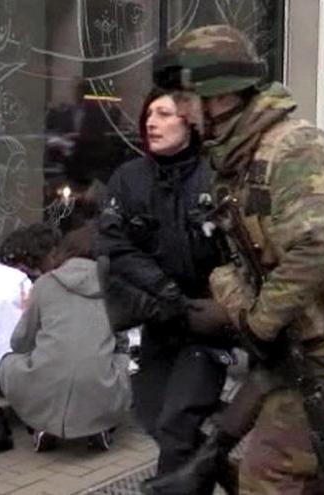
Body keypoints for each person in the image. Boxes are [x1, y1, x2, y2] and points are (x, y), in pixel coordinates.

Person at [149, 25, 324, 494]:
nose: (183, 114)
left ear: (219, 99)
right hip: (299, 339)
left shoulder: (293, 149)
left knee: (270, 472)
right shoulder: (240, 155)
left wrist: (259, 323)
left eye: (187, 102)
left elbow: (318, 248)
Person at [98, 88, 233, 483]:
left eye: (164, 114)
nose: (151, 122)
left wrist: (216, 309)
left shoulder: (217, 177)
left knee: (177, 426)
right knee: (155, 420)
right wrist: (164, 295)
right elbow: (113, 247)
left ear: (189, 121)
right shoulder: (129, 179)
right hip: (157, 320)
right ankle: (220, 468)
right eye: (148, 114)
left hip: (206, 328)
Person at [0, 225, 131, 452]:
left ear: (64, 252)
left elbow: (20, 342)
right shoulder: (114, 287)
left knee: (8, 363)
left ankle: (41, 425)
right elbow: (122, 341)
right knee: (119, 360)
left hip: (47, 382)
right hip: (100, 386)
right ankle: (101, 424)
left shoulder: (44, 284)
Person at [0, 223, 60, 388]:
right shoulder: (21, 287)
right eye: (52, 256)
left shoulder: (0, 277)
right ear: (40, 255)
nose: (56, 262)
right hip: (14, 378)